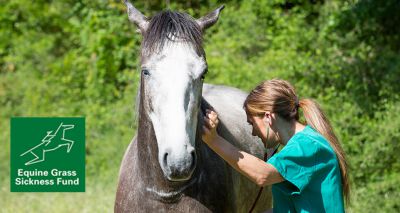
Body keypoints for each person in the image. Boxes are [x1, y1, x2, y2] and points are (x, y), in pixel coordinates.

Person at [202, 79, 349, 212]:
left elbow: (263, 175)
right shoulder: (303, 144)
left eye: (252, 123)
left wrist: (214, 140)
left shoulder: (308, 146)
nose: (253, 132)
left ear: (268, 117)